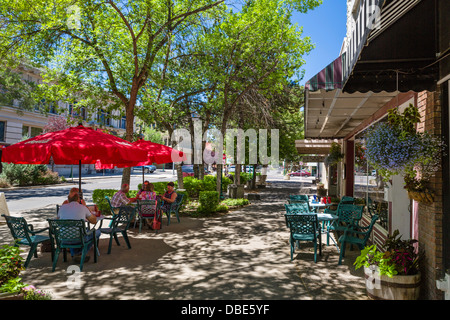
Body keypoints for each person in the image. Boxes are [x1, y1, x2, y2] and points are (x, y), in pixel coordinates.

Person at [57, 193, 101, 262]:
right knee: (97, 232)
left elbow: (57, 221)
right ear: (78, 199)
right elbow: (94, 221)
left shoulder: (62, 208)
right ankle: (81, 254)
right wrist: (88, 211)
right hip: (79, 239)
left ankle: (76, 254)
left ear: (68, 199)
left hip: (63, 239)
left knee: (72, 232)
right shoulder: (82, 207)